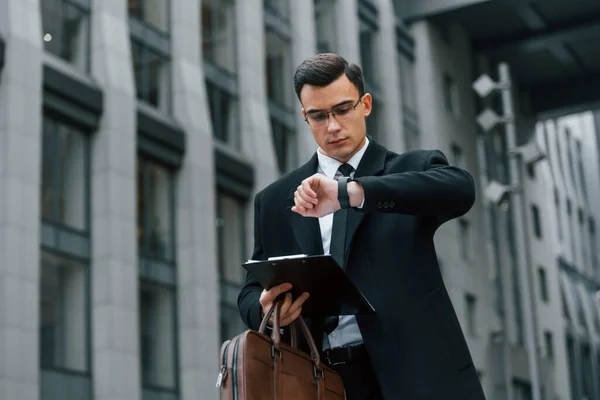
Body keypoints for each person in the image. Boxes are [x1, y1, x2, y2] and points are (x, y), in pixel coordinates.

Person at [237, 53, 486, 400]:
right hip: (320, 381)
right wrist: (264, 307)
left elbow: (460, 189)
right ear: (305, 118)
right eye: (319, 116)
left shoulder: (410, 168)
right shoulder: (275, 200)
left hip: (417, 378)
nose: (333, 126)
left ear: (365, 104)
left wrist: (350, 192)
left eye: (342, 110)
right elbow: (250, 290)